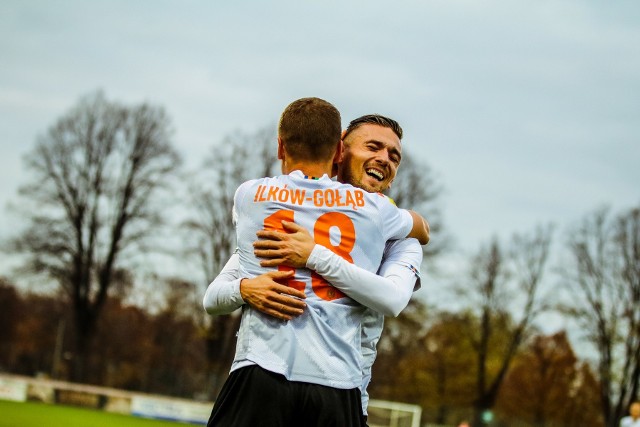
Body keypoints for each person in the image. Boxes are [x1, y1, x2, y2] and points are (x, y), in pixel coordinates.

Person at [205, 98, 428, 427]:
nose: (384, 159)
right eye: (373, 147)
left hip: (349, 391)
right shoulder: (280, 217)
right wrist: (245, 288)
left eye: (394, 156)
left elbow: (393, 298)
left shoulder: (400, 239)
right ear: (341, 151)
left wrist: (314, 255)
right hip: (279, 379)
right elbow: (216, 294)